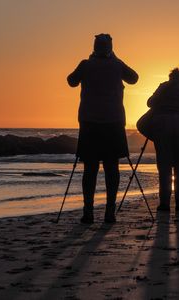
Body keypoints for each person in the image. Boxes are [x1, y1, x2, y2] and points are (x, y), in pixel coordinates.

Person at [67, 34, 138, 224]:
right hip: (113, 123)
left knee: (90, 169)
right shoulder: (117, 65)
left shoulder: (86, 65)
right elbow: (134, 78)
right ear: (110, 48)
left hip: (89, 124)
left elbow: (71, 81)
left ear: (94, 47)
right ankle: (109, 212)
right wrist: (115, 59)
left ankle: (88, 212)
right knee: (111, 168)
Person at [147, 68, 179, 212]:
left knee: (164, 165)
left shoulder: (163, 86)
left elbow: (150, 103)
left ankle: (164, 204)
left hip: (163, 125)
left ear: (170, 77)